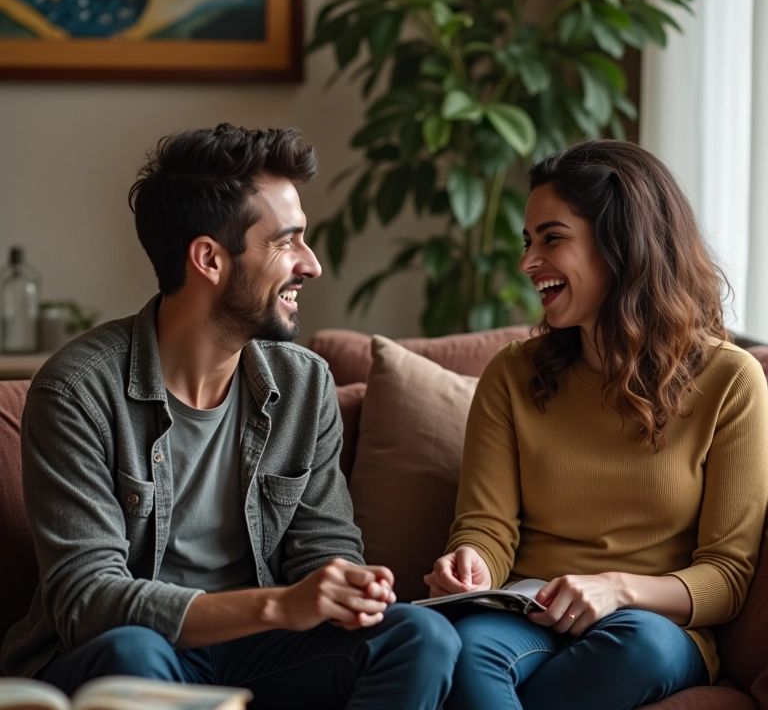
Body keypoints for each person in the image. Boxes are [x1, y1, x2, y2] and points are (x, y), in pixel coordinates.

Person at [0, 123, 460, 709]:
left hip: (261, 652)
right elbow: (86, 600)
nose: (312, 265)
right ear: (209, 259)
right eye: (287, 242)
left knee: (421, 637)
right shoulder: (77, 391)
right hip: (132, 650)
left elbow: (324, 548)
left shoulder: (304, 383)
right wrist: (278, 605)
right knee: (133, 656)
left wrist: (347, 586)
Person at [425, 139, 768, 710]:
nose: (528, 263)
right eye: (528, 242)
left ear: (621, 244)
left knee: (641, 648)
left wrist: (615, 589)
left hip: (648, 624)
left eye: (552, 238)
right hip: (528, 614)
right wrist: (473, 564)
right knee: (463, 650)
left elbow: (727, 576)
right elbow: (486, 525)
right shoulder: (512, 374)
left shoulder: (731, 380)